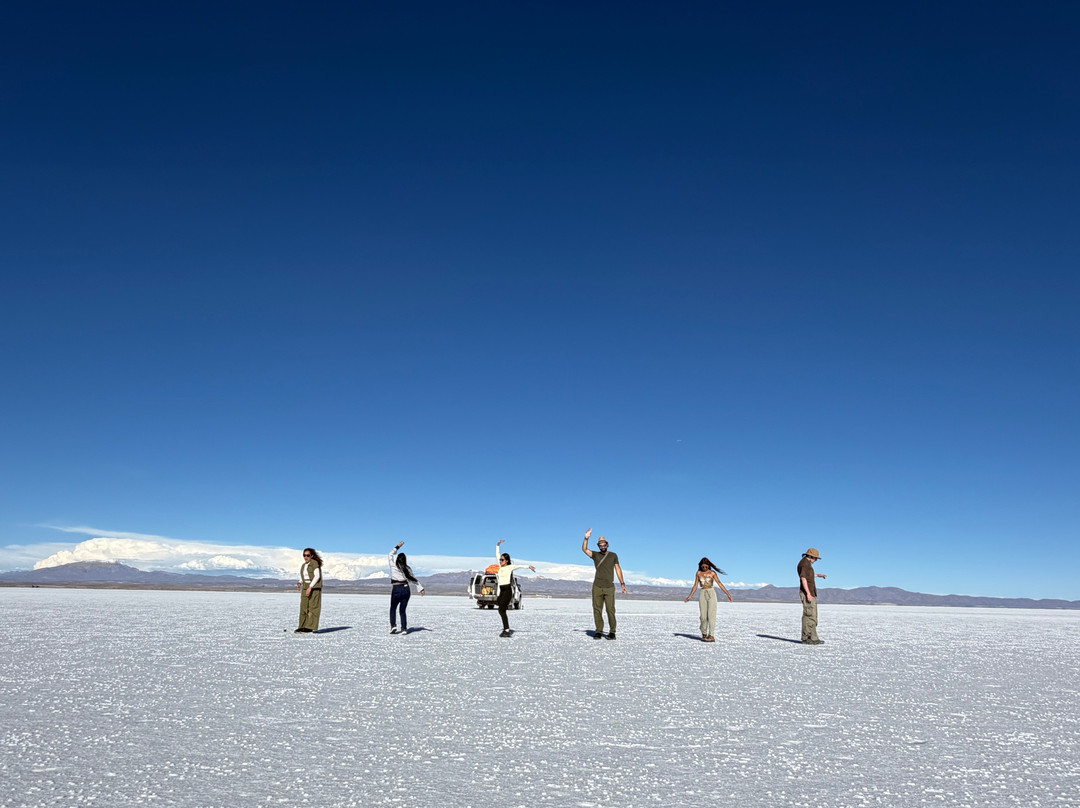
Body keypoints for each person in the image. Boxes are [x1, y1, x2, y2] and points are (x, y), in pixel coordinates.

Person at [581, 528, 626, 639]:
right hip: (597, 586)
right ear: (598, 546)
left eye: (604, 545)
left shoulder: (613, 555)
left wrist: (622, 584)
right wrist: (586, 538)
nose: (602, 547)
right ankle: (598, 631)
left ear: (607, 545)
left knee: (610, 610)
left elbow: (618, 569)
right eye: (600, 545)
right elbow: (584, 549)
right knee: (597, 610)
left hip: (609, 587)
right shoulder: (595, 555)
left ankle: (612, 632)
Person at [684, 557, 732, 642]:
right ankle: (704, 632)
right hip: (702, 593)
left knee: (711, 615)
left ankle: (711, 635)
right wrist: (689, 596)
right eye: (703, 566)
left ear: (708, 566)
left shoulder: (712, 573)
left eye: (706, 566)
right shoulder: (698, 573)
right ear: (701, 566)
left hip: (711, 593)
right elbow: (695, 585)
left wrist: (727, 594)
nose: (705, 568)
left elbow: (719, 583)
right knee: (703, 616)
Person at [494, 539, 535, 638]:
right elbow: (497, 554)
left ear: (507, 561)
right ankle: (506, 628)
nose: (500, 561)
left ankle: (506, 630)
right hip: (501, 590)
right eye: (500, 559)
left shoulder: (509, 567)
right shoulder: (500, 567)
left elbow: (519, 565)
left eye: (502, 560)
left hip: (508, 590)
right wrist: (497, 545)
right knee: (500, 609)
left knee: (502, 609)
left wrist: (528, 566)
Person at [388, 541, 424, 634]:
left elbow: (390, 554)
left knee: (393, 608)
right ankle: (404, 628)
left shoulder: (393, 566)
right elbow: (413, 579)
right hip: (406, 589)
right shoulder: (407, 569)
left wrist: (397, 547)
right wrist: (420, 588)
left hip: (396, 589)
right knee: (402, 610)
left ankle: (393, 626)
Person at [798, 547, 827, 645]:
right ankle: (806, 638)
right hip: (808, 593)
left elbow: (808, 575)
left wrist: (818, 575)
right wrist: (808, 593)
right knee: (809, 615)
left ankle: (813, 637)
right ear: (810, 556)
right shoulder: (804, 564)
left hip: (811, 593)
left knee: (813, 616)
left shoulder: (807, 564)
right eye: (815, 558)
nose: (815, 560)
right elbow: (803, 578)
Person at [295, 548, 323, 633]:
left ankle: (309, 627)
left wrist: (310, 587)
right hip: (305, 586)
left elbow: (317, 576)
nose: (305, 557)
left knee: (313, 607)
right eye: (304, 555)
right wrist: (299, 582)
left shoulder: (314, 564)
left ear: (312, 556)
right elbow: (303, 575)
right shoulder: (304, 565)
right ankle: (302, 625)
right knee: (303, 607)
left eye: (307, 555)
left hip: (314, 587)